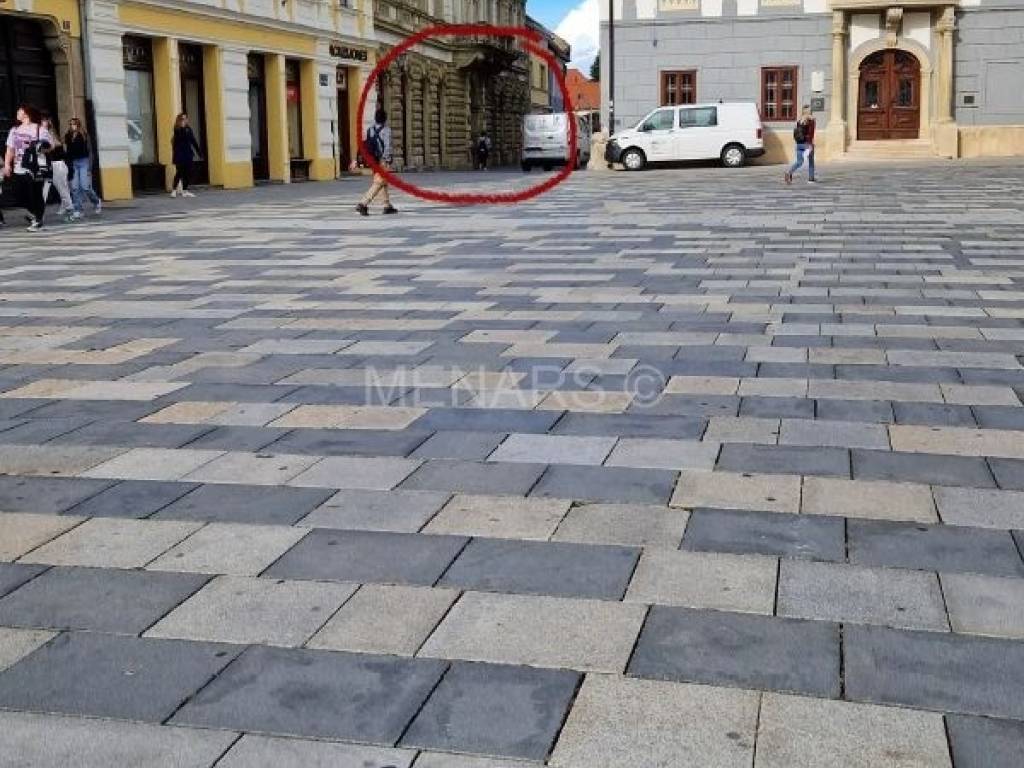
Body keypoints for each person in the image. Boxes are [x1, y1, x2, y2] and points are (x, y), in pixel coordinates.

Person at [3, 104, 52, 232]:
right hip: (18, 166)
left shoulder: (39, 129)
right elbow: (10, 149)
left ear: (26, 113)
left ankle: (38, 220)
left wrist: (40, 146)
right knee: (18, 193)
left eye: (19, 111)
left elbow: (49, 146)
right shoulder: (14, 130)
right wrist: (7, 164)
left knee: (36, 193)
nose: (17, 113)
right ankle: (35, 213)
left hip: (35, 167)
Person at [356, 108, 397, 216]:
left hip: (373, 160)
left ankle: (387, 205)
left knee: (382, 181)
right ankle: (363, 203)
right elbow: (387, 146)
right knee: (379, 183)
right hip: (382, 160)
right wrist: (387, 159)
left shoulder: (370, 129)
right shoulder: (386, 130)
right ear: (385, 118)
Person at [65, 117, 102, 218]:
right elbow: (68, 151)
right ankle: (78, 209)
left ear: (78, 125)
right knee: (75, 187)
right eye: (71, 124)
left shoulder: (84, 135)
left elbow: (90, 150)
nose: (72, 126)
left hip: (83, 161)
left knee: (85, 186)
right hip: (73, 162)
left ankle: (96, 201)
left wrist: (90, 165)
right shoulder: (68, 135)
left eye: (74, 124)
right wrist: (68, 164)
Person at [41, 117, 75, 218]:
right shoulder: (42, 135)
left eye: (44, 125)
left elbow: (54, 147)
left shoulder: (50, 136)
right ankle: (38, 213)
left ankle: (70, 209)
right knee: (44, 190)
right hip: (47, 166)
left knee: (62, 190)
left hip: (57, 165)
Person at [171, 113, 201, 198]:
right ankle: (174, 190)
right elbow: (179, 137)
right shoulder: (177, 129)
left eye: (185, 118)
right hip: (179, 154)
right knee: (179, 172)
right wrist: (183, 127)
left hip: (188, 154)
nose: (184, 120)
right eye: (182, 119)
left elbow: (193, 140)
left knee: (187, 173)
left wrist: (199, 152)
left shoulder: (189, 129)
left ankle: (185, 191)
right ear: (179, 120)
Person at [785, 106, 817, 185]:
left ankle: (789, 172)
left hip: (798, 144)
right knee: (811, 162)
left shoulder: (799, 121)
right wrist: (810, 145)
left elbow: (797, 133)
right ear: (810, 112)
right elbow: (811, 134)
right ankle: (811, 179)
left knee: (799, 162)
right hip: (807, 144)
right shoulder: (811, 121)